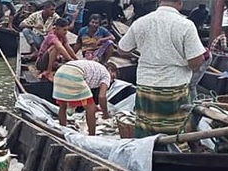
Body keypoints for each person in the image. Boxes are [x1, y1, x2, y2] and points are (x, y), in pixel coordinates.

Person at [118, 0, 205, 139]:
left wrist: (144, 48)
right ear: (180, 3)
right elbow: (196, 62)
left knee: (145, 131)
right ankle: (173, 156)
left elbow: (122, 49)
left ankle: (145, 155)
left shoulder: (141, 22)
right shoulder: (186, 25)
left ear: (159, 2)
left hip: (145, 86)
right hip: (174, 87)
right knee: (175, 134)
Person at [53, 60, 111, 135]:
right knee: (90, 108)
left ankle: (62, 130)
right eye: (114, 75)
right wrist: (106, 114)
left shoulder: (96, 69)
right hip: (74, 73)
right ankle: (92, 136)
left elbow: (84, 96)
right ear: (111, 71)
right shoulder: (106, 74)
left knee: (63, 105)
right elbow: (102, 96)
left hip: (60, 72)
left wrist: (95, 107)